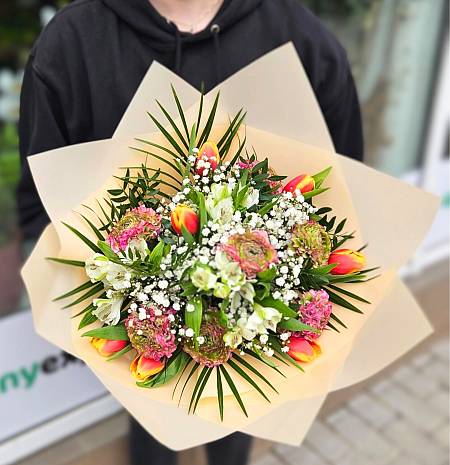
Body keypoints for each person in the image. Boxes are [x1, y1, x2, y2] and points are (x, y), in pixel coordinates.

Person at [17, 1, 364, 464]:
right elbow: (40, 204)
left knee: (234, 432)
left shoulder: (302, 41)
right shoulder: (72, 45)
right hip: (137, 336)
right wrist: (105, 316)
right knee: (152, 437)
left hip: (258, 342)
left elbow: (341, 192)